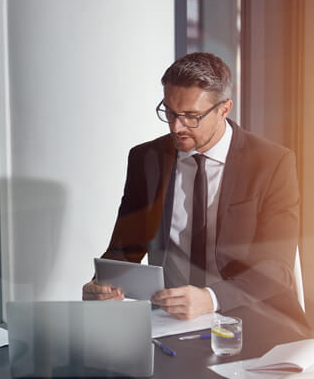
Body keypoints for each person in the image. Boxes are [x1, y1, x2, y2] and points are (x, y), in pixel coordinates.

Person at [83, 52, 306, 329]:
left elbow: (277, 269)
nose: (177, 127)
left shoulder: (272, 163)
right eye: (170, 112)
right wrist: (101, 285)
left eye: (191, 116)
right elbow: (124, 248)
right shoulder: (146, 159)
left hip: (251, 319)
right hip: (170, 322)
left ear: (224, 109)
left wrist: (211, 299)